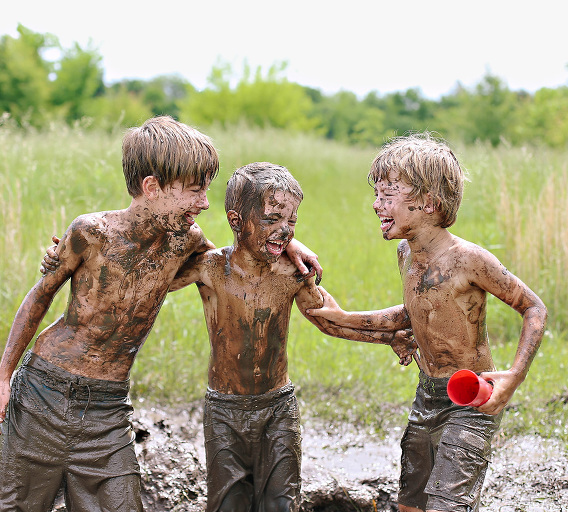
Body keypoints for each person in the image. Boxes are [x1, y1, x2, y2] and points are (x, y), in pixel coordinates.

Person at [0, 117, 321, 512]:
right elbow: (38, 298)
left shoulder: (186, 241)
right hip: (44, 391)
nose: (205, 202)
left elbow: (241, 256)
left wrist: (290, 242)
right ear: (152, 187)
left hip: (108, 408)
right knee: (9, 506)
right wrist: (2, 379)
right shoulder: (90, 232)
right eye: (195, 190)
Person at [307, 133, 547, 512]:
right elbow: (418, 311)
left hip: (471, 398)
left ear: (429, 204)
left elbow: (534, 307)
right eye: (377, 195)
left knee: (446, 504)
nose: (376, 205)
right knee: (410, 503)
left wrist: (514, 376)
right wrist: (343, 319)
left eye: (388, 196)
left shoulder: (468, 260)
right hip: (428, 395)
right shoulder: (406, 253)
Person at [166, 162, 415, 512]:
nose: (283, 231)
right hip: (224, 409)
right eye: (272, 220)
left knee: (282, 503)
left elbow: (328, 320)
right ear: (236, 221)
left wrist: (388, 337)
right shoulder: (209, 268)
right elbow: (153, 284)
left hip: (277, 408)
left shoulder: (291, 272)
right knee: (228, 504)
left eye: (292, 222)